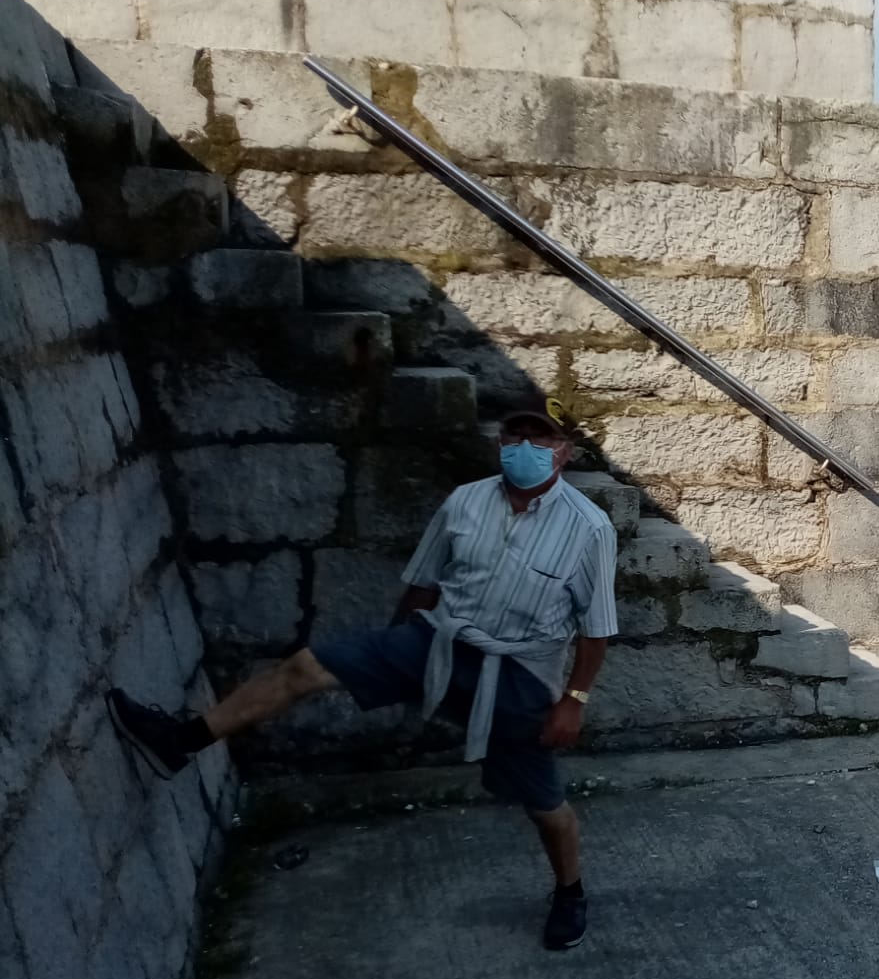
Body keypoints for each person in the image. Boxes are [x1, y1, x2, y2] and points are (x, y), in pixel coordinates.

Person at [109, 405, 619, 948]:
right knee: (306, 666)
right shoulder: (465, 500)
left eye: (541, 439)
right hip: (437, 640)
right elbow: (425, 580)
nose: (525, 446)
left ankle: (570, 891)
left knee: (545, 805)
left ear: (564, 452)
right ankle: (180, 740)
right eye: (516, 435)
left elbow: (596, 628)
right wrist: (394, 649)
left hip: (517, 673)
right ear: (499, 443)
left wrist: (574, 700)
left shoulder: (589, 528)